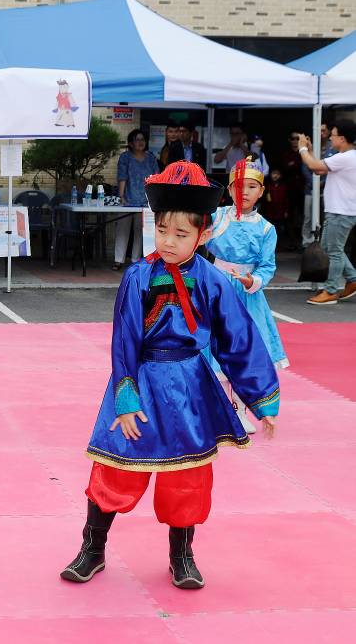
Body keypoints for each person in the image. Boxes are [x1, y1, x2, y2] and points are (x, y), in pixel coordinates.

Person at [60, 160, 280, 590]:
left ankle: (182, 555)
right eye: (163, 231)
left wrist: (262, 401)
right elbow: (124, 340)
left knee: (188, 479)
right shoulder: (138, 276)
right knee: (113, 470)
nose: (169, 242)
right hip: (140, 380)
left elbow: (238, 341)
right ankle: (93, 548)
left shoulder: (215, 282)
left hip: (191, 389)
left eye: (181, 235)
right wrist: (126, 397)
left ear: (203, 234)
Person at [204, 156, 289, 434]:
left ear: (261, 191)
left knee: (243, 353)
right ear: (229, 190)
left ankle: (239, 410)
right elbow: (194, 236)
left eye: (251, 186)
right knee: (213, 348)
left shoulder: (266, 228)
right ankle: (216, 409)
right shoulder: (216, 218)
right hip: (215, 288)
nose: (245, 192)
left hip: (247, 295)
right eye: (239, 186)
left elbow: (268, 266)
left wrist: (253, 280)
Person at [299, 118, 356, 305]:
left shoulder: (346, 157)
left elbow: (314, 167)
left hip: (340, 212)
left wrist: (302, 149)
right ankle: (353, 280)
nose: (331, 139)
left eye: (333, 135)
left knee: (334, 251)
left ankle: (331, 290)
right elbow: (319, 168)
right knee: (332, 248)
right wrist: (310, 150)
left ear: (342, 138)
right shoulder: (345, 157)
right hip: (340, 211)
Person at [114, 130, 158, 270]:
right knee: (122, 229)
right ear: (131, 143)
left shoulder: (151, 158)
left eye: (142, 139)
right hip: (127, 200)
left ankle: (135, 260)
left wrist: (154, 198)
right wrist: (121, 197)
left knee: (140, 231)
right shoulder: (125, 157)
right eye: (137, 139)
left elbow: (156, 178)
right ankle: (118, 260)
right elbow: (122, 177)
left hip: (146, 201)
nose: (140, 142)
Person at [300, 122, 335, 247]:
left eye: (324, 130)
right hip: (310, 188)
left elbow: (333, 168)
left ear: (329, 132)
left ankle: (324, 243)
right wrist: (314, 182)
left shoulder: (334, 148)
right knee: (308, 217)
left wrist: (322, 182)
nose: (321, 133)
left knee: (327, 217)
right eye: (319, 130)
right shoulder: (311, 147)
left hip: (327, 188)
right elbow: (305, 167)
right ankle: (306, 243)